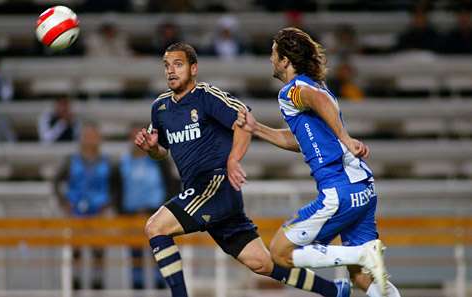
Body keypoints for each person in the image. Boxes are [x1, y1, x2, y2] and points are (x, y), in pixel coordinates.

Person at [134, 42, 351, 297]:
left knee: (155, 227)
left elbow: (243, 119)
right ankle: (334, 291)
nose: (171, 71)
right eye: (167, 66)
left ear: (194, 68)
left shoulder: (207, 96)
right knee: (262, 263)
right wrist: (151, 149)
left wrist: (233, 159)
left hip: (215, 185)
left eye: (178, 64)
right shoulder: (160, 108)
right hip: (201, 193)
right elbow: (162, 152)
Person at [234, 27, 401, 297]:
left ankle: (361, 253)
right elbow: (302, 140)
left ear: (286, 60)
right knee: (362, 278)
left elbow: (318, 101)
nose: (270, 60)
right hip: (363, 189)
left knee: (279, 253)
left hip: (339, 191)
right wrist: (257, 129)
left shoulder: (293, 90)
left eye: (274, 54)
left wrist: (346, 138)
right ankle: (364, 257)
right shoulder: (315, 85)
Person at [113, 126, 180, 289]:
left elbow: (172, 184)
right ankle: (138, 288)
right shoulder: (123, 162)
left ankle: (162, 288)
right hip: (131, 215)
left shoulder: (160, 161)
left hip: (156, 213)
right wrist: (120, 211)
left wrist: (168, 209)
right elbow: (116, 188)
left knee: (159, 252)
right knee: (135, 255)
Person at [53, 121, 114, 290]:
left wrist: (108, 203)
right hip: (76, 211)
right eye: (87, 136)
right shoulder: (71, 161)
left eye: (93, 136)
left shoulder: (107, 162)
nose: (90, 140)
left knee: (98, 251)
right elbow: (56, 182)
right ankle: (75, 283)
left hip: (99, 211)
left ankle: (98, 284)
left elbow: (115, 186)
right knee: (76, 250)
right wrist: (64, 202)